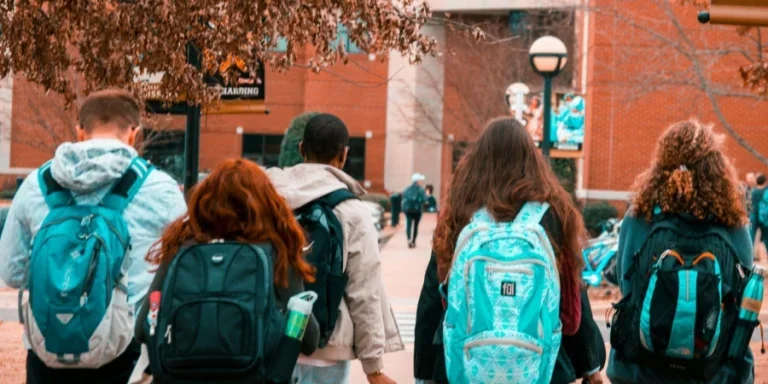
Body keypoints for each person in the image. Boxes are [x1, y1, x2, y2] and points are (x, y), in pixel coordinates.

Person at [0, 89, 186, 384]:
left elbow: (11, 272)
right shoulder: (161, 189)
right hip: (125, 353)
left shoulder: (36, 185)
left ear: (80, 131)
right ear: (134, 133)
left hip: (48, 349)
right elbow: (181, 274)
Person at [135, 158, 320, 383]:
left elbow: (143, 328)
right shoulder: (275, 253)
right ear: (265, 204)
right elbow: (309, 340)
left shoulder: (182, 248)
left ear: (204, 202)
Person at [433, 118, 585, 383]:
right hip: (536, 368)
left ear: (478, 159)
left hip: (466, 367)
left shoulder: (459, 211)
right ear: (532, 160)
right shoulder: (555, 214)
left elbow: (441, 299)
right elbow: (571, 317)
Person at [607, 119, 754, 384]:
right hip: (714, 371)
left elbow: (627, 284)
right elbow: (742, 295)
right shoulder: (733, 223)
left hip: (641, 369)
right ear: (716, 167)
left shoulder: (639, 216)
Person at [266, 113, 403, 384]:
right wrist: (373, 367)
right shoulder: (351, 210)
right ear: (344, 155)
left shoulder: (268, 199)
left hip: (273, 341)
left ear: (302, 149)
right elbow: (365, 291)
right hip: (327, 349)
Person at [402, 173, 428, 248]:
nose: (421, 181)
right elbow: (424, 199)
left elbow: (404, 197)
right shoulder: (421, 189)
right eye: (420, 180)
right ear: (417, 181)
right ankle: (413, 241)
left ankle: (409, 240)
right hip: (417, 211)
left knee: (409, 225)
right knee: (415, 226)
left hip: (408, 210)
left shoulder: (407, 189)